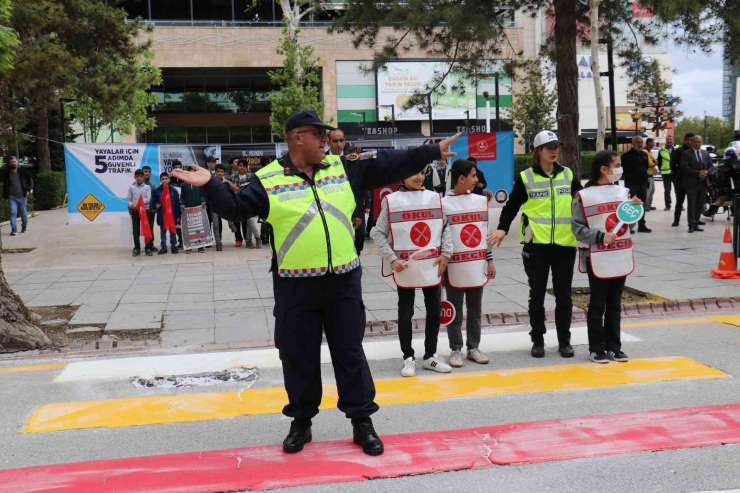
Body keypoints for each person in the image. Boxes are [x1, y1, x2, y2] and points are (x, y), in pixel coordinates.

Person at [172, 109, 460, 457]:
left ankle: (362, 421)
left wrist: (429, 151)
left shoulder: (344, 168)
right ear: (296, 137)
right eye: (318, 134)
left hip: (343, 282)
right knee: (298, 355)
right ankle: (301, 421)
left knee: (350, 353)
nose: (326, 140)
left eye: (327, 135)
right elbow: (236, 208)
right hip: (296, 286)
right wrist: (212, 184)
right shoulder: (268, 179)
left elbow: (389, 163)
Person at [489, 130, 581, 359]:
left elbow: (585, 200)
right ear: (538, 151)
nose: (554, 151)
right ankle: (538, 340)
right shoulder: (526, 177)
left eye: (556, 147)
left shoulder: (568, 174)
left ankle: (564, 341)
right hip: (536, 246)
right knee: (536, 295)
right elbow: (511, 206)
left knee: (564, 296)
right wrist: (502, 228)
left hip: (565, 244)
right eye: (549, 147)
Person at [372, 170, 453, 377]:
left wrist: (446, 254)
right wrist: (392, 258)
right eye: (413, 173)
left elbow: (445, 228)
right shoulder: (391, 201)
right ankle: (408, 357)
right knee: (405, 313)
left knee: (434, 310)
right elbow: (377, 232)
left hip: (431, 265)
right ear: (403, 176)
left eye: (421, 173)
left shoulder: (435, 198)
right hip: (405, 267)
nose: (418, 178)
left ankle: (430, 356)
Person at [572, 150, 640, 363]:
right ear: (603, 169)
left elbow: (630, 224)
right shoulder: (584, 196)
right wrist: (600, 236)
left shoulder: (624, 193)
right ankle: (596, 348)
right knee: (598, 304)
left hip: (620, 255)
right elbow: (577, 228)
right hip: (598, 256)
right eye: (616, 165)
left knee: (615, 304)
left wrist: (634, 210)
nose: (620, 169)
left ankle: (614, 347)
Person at [443, 159, 496, 367]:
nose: (477, 180)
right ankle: (455, 349)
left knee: (475, 310)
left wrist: (489, 260)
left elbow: (484, 232)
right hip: (454, 266)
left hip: (475, 265)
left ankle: (473, 347)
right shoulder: (444, 204)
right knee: (454, 310)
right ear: (461, 178)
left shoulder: (480, 201)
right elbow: (442, 237)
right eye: (473, 176)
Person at [620, 135, 652, 234]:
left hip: (642, 183)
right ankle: (628, 226)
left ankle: (642, 225)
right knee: (631, 205)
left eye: (641, 142)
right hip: (631, 184)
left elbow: (646, 167)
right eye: (637, 142)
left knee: (642, 205)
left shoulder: (644, 154)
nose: (640, 144)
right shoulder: (626, 156)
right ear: (632, 144)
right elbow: (623, 170)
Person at [681, 135, 711, 233]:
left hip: (703, 184)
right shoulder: (686, 154)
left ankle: (696, 223)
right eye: (695, 142)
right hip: (691, 184)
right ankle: (691, 225)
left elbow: (711, 166)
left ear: (701, 142)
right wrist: (698, 173)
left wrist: (707, 172)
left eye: (699, 142)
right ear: (692, 142)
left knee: (700, 205)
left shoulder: (705, 153)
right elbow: (684, 167)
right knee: (692, 205)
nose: (697, 144)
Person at [179, 166, 207, 254]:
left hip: (198, 209)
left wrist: (203, 201)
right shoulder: (183, 185)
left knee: (199, 228)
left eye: (194, 172)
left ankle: (200, 246)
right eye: (190, 172)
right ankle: (188, 246)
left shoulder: (199, 184)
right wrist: (182, 204)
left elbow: (203, 195)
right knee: (188, 228)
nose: (192, 174)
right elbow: (182, 197)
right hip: (187, 210)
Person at [2, 156, 33, 236]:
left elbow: (30, 180)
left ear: (17, 162)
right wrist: (6, 195)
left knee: (24, 213)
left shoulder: (23, 172)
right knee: (13, 212)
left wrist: (28, 190)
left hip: (22, 196)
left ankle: (24, 227)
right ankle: (14, 230)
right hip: (11, 197)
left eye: (14, 161)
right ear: (9, 163)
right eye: (11, 162)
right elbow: (5, 185)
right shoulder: (7, 173)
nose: (13, 163)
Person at [224, 159, 251, 248]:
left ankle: (248, 239)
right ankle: (238, 239)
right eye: (240, 166)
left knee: (246, 222)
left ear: (246, 167)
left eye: (243, 166)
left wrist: (235, 187)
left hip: (246, 202)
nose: (241, 167)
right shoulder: (233, 176)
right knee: (236, 221)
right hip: (235, 201)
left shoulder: (250, 177)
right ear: (237, 167)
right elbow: (225, 183)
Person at [152, 172, 181, 255]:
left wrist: (178, 216)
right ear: (160, 180)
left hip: (172, 215)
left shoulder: (174, 191)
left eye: (166, 179)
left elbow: (177, 204)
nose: (164, 180)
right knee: (163, 232)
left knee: (173, 231)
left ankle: (173, 246)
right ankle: (164, 247)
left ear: (169, 179)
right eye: (162, 179)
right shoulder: (157, 191)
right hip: (162, 214)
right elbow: (154, 201)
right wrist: (156, 205)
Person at [127, 169, 153, 256]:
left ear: (143, 178)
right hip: (135, 211)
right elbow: (129, 200)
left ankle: (148, 247)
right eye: (137, 177)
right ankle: (137, 248)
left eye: (141, 176)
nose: (139, 178)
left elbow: (148, 199)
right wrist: (131, 205)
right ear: (134, 177)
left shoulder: (147, 187)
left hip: (145, 211)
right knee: (136, 230)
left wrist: (138, 203)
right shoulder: (131, 188)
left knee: (147, 229)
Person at [671, 133, 693, 227]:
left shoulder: (695, 151)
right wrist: (677, 176)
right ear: (684, 140)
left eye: (691, 140)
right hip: (680, 181)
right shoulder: (679, 151)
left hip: (692, 181)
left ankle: (694, 220)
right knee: (680, 201)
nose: (689, 142)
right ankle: (676, 220)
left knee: (693, 202)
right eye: (687, 140)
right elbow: (672, 165)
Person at [211, 164, 227, 251]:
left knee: (231, 217)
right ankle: (218, 243)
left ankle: (232, 226)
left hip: (224, 205)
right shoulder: (211, 181)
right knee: (216, 225)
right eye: (218, 171)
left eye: (222, 171)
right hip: (214, 206)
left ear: (224, 173)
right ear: (215, 172)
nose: (220, 173)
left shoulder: (226, 182)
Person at [170, 160, 185, 249]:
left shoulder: (185, 179)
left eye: (179, 167)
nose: (177, 169)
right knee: (177, 225)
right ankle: (180, 242)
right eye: (175, 167)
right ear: (173, 169)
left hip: (184, 206)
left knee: (185, 225)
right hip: (175, 207)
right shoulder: (170, 181)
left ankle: (187, 241)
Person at [658, 135, 674, 211]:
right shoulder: (661, 149)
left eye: (670, 139)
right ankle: (667, 205)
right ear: (666, 140)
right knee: (667, 190)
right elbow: (659, 161)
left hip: (675, 172)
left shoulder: (677, 148)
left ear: (673, 140)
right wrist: (660, 169)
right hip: (666, 173)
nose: (669, 140)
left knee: (679, 190)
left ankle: (680, 205)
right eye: (667, 139)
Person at [141, 165, 158, 243]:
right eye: (145, 171)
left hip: (150, 210)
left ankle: (150, 245)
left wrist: (155, 208)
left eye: (149, 172)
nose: (147, 173)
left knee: (150, 227)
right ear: (142, 172)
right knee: (140, 228)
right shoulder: (136, 184)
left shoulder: (152, 185)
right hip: (140, 210)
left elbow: (155, 197)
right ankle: (137, 246)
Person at [644, 138, 658, 211]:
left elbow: (654, 161)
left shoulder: (650, 152)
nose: (654, 144)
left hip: (651, 174)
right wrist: (654, 162)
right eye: (653, 142)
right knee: (648, 191)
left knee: (652, 190)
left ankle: (649, 205)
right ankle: (646, 206)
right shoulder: (645, 152)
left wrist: (654, 162)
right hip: (647, 175)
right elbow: (650, 163)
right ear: (649, 143)